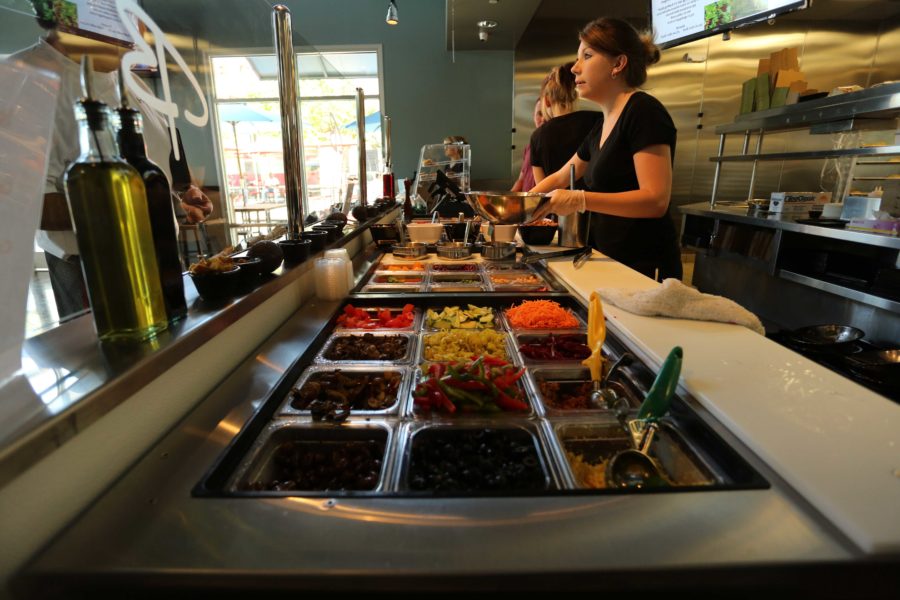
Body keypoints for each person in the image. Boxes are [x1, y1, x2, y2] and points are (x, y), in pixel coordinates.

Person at [10, 1, 212, 318]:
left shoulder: (125, 77)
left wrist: (177, 198)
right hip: (93, 270)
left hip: (160, 253)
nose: (138, 32)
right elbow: (27, 205)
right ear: (67, 13)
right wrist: (139, 204)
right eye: (119, 12)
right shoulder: (20, 82)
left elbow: (145, 169)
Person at [530, 17, 682, 281]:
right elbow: (561, 176)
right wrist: (515, 207)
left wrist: (581, 200)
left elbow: (655, 200)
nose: (576, 68)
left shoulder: (643, 111)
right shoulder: (601, 125)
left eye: (586, 56)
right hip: (609, 258)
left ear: (618, 64)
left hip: (644, 264)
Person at [530, 62, 602, 187]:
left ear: (546, 101)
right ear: (575, 95)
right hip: (602, 203)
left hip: (556, 205)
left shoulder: (537, 137)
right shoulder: (598, 121)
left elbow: (541, 190)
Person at [510, 99, 543, 192]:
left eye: (546, 114)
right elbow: (521, 179)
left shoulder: (554, 146)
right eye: (539, 114)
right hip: (528, 203)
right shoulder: (529, 147)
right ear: (533, 116)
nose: (543, 119)